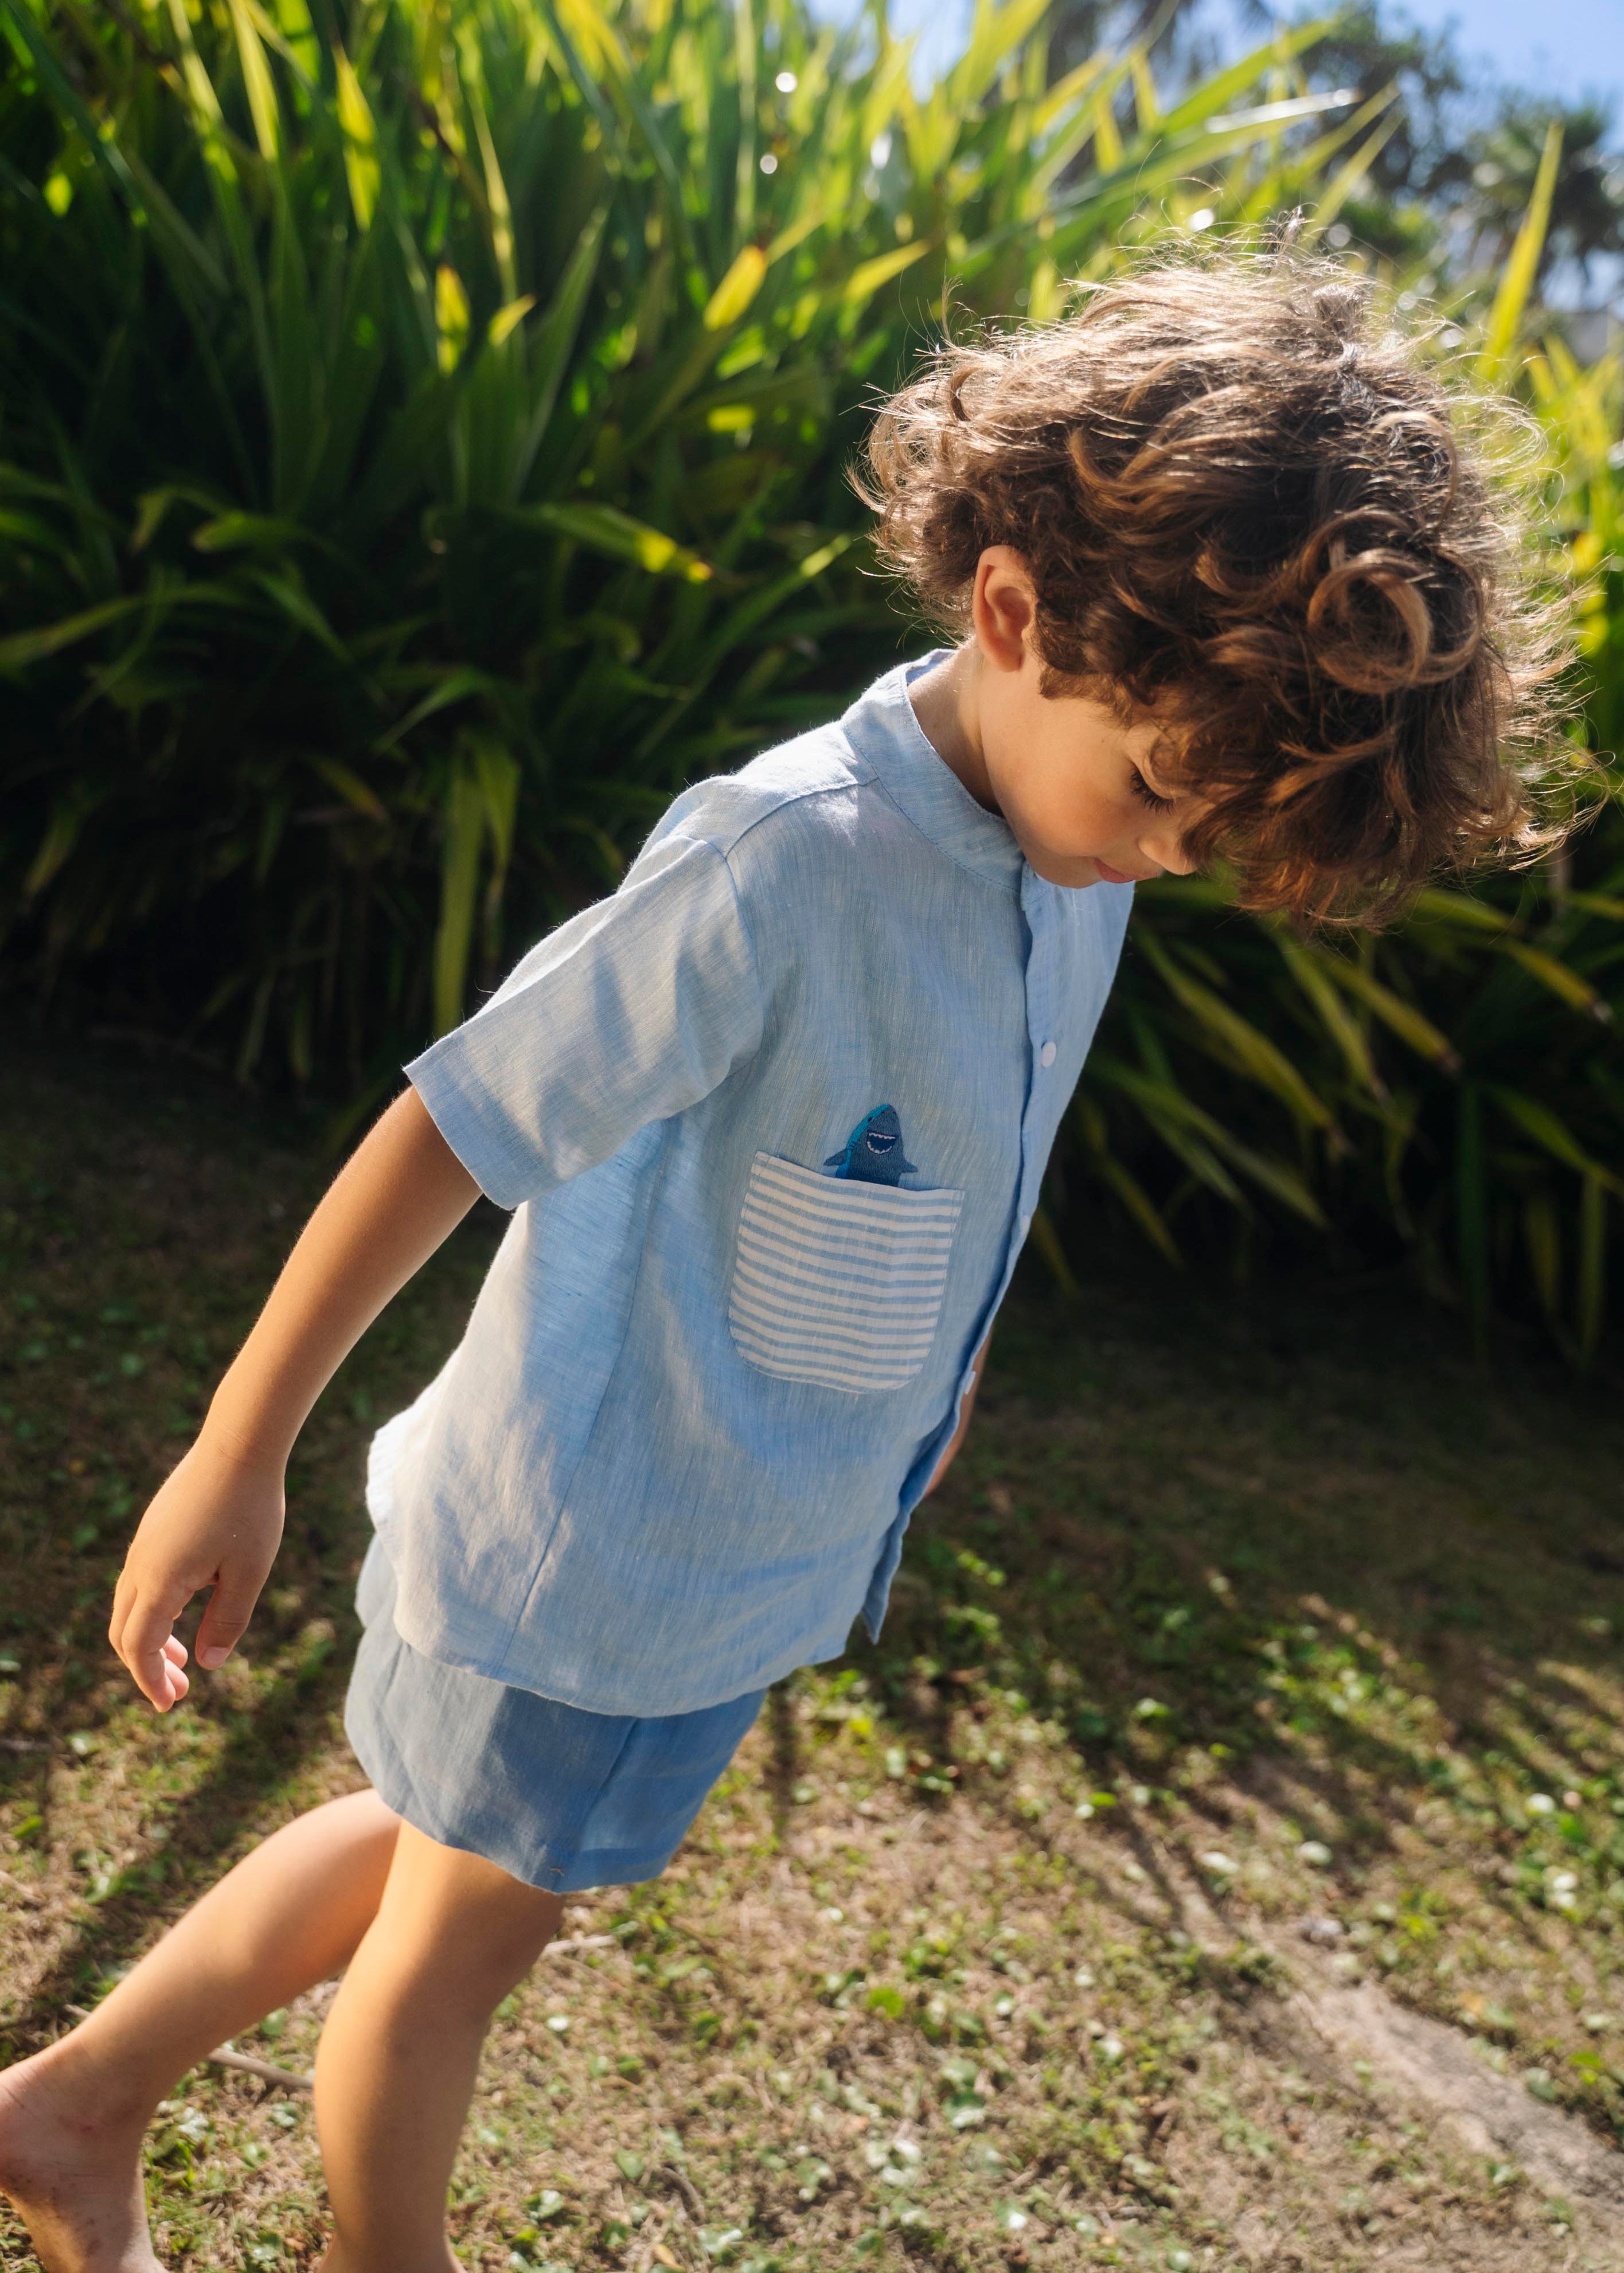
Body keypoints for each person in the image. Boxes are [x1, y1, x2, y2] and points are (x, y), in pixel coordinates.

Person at [0, 243, 1574, 2273]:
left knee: (467, 1863)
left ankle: (65, 2105)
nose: (1175, 852)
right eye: (1170, 792)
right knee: (454, 1950)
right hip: (584, 1554)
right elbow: (454, 1123)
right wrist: (238, 1447)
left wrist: (938, 1370)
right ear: (1015, 613)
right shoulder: (783, 861)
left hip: (738, 1553)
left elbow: (952, 1156)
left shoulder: (1068, 858)